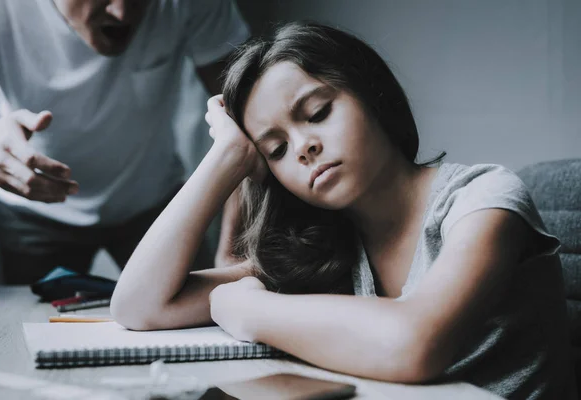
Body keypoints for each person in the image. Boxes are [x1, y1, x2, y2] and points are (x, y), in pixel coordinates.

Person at [110, 22, 576, 399]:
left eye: (316, 114)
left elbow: (413, 347)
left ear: (372, 94)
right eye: (275, 150)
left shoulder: (483, 197)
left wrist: (249, 309)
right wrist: (225, 159)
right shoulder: (325, 248)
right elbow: (139, 306)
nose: (304, 147)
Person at [0, 0, 250, 283]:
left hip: (153, 202)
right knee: (21, 322)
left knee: (199, 316)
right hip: (30, 210)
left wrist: (233, 248)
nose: (121, 13)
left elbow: (245, 119)